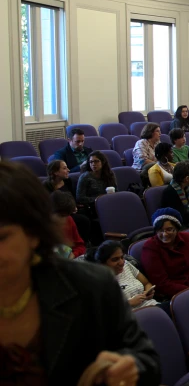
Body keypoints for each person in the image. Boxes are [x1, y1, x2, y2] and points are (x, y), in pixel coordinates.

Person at [0, 162, 159, 384]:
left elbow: (146, 362)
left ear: (34, 233)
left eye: (2, 237)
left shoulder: (90, 285)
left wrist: (125, 369)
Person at [94, 240, 158, 311]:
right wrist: (128, 303)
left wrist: (147, 292)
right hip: (131, 316)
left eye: (122, 257)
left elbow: (147, 283)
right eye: (115, 259)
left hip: (152, 305)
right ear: (102, 264)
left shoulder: (126, 265)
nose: (121, 263)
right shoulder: (98, 281)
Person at [161, 161, 189, 227]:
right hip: (177, 225)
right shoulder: (170, 192)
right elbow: (179, 216)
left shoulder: (188, 188)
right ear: (187, 178)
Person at [50, 191, 86, 258]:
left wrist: (73, 254)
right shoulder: (41, 228)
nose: (64, 220)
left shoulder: (69, 219)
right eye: (61, 216)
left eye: (66, 216)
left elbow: (80, 246)